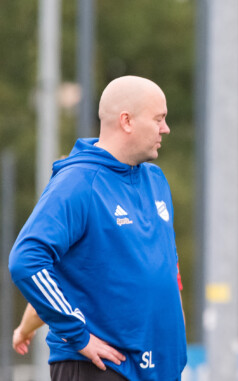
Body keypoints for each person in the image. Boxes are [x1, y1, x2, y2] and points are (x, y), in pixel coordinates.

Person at [8, 75, 187, 381]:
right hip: (103, 366)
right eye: (159, 118)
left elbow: (167, 272)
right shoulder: (78, 182)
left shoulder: (156, 180)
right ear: (127, 121)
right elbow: (27, 259)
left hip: (160, 368)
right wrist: (79, 336)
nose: (165, 129)